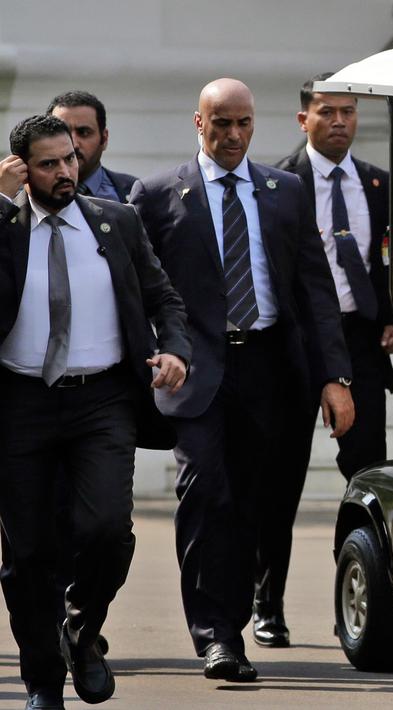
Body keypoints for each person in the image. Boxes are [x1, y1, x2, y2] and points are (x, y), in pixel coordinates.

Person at [129, 78, 353, 683]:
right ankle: (217, 637)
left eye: (243, 124)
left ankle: (238, 616)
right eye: (221, 124)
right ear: (198, 124)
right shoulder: (156, 195)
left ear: (255, 125)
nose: (233, 135)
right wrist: (151, 353)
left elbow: (315, 290)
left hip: (270, 369)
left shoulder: (286, 191)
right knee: (206, 495)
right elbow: (136, 290)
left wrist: (335, 377)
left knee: (254, 504)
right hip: (195, 371)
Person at [0, 114, 189, 710]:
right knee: (28, 553)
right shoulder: (5, 225)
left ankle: (81, 629)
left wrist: (175, 350)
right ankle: (42, 683)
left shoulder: (116, 221)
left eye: (71, 159)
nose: (65, 171)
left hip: (103, 398)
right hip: (21, 401)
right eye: (50, 163)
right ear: (21, 169)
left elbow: (163, 296)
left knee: (107, 529)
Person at [250, 72, 393, 648]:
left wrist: (390, 313)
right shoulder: (276, 181)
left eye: (348, 111)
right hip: (295, 344)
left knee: (370, 477)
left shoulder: (375, 180)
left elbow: (382, 255)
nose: (339, 121)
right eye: (327, 112)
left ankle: (366, 601)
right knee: (280, 481)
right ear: (303, 119)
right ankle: (269, 604)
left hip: (360, 343)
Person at [45, 91, 137, 202]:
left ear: (104, 138)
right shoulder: (23, 196)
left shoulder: (135, 193)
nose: (73, 145)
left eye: (84, 132)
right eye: (63, 133)